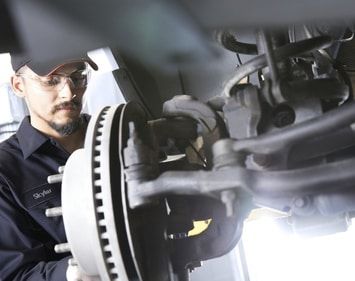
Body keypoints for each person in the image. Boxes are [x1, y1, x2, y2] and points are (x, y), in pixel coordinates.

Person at [0, 53, 98, 280]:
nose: (69, 92)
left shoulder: (122, 136)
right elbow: (15, 275)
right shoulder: (5, 173)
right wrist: (76, 272)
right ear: (18, 86)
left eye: (78, 76)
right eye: (51, 80)